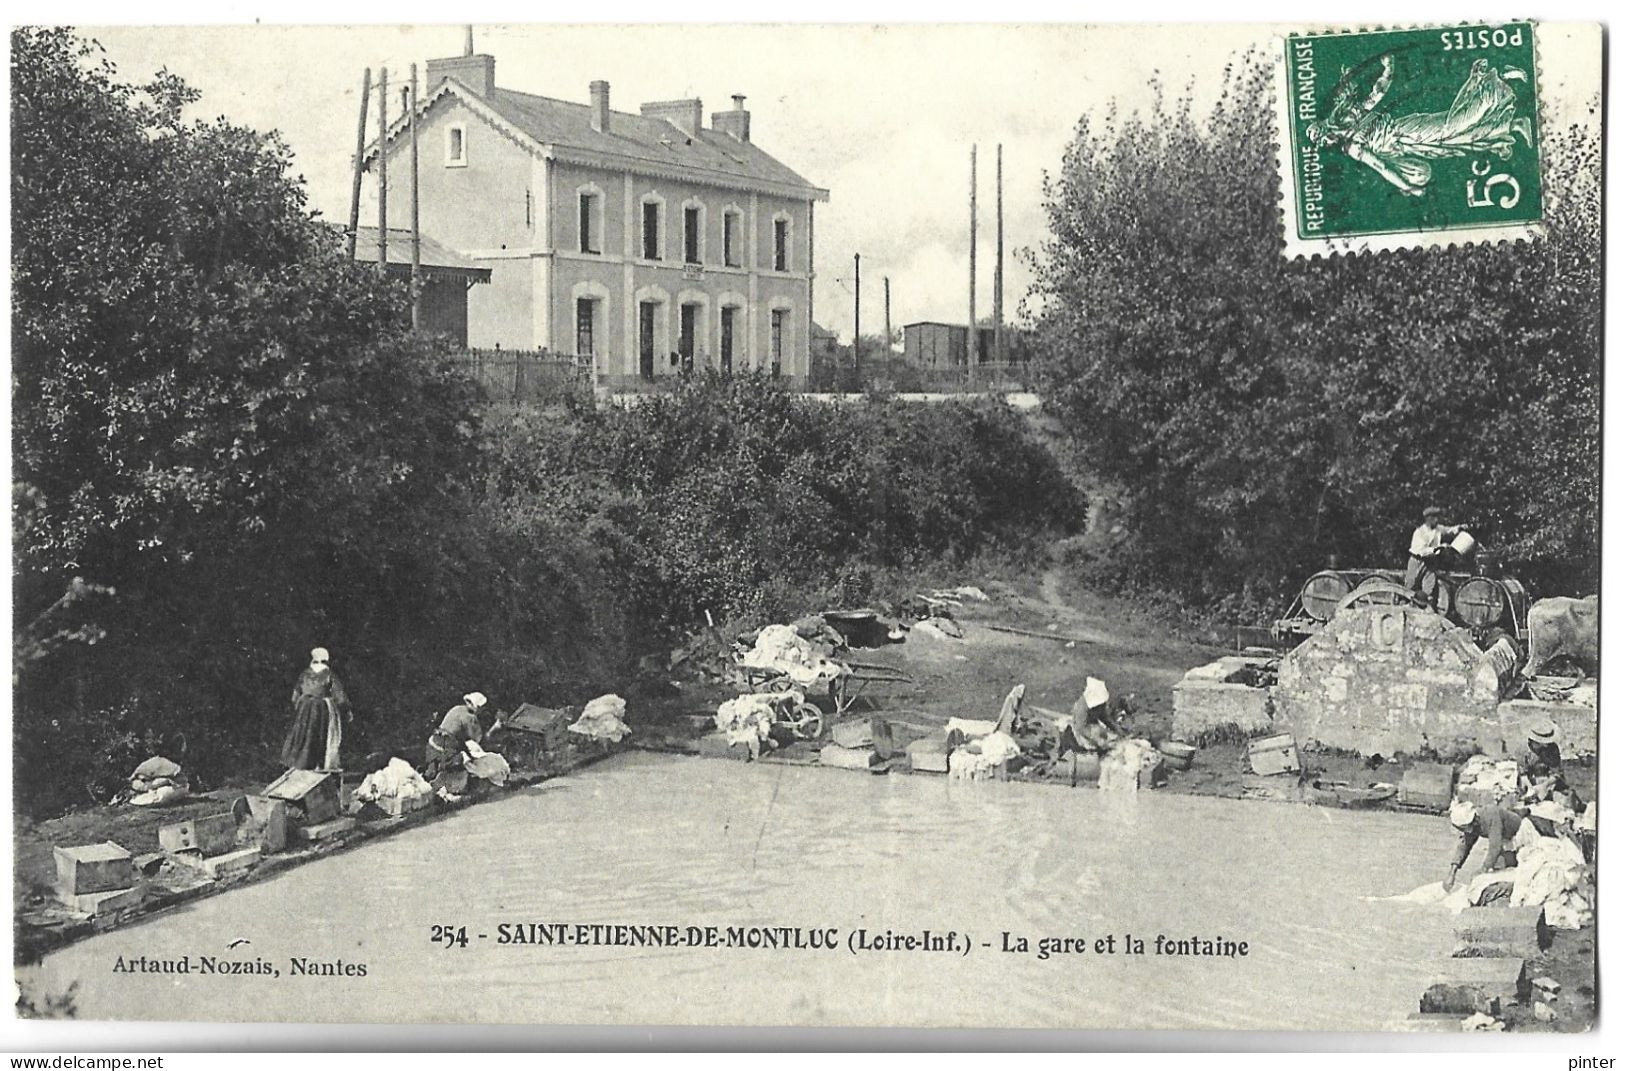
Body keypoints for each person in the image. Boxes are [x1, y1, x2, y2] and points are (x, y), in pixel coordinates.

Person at [281, 647, 351, 771]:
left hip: (305, 708)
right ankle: (318, 764)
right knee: (320, 735)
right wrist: (346, 710)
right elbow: (339, 695)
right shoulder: (329, 674)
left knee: (303, 735)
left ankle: (301, 764)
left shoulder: (305, 674)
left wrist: (301, 705)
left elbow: (294, 696)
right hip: (321, 709)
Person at [1444, 798, 1527, 891]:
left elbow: (1495, 847)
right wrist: (1452, 873)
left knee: (1503, 871)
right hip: (1505, 838)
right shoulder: (1473, 824)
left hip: (1521, 835)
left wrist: (1484, 868)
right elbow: (1464, 846)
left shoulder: (1491, 814)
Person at [424, 692, 490, 787]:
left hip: (433, 743)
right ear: (477, 707)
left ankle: (431, 778)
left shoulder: (457, 708)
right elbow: (476, 739)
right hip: (447, 748)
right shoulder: (470, 717)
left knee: (432, 771)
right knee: (467, 760)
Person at [1404, 506, 1462, 609]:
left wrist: (1459, 527)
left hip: (1430, 562)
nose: (1437, 520)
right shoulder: (1420, 532)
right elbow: (1421, 551)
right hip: (1417, 561)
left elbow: (1449, 530)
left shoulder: (1437, 529)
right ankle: (1406, 605)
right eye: (1435, 518)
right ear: (1428, 519)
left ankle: (1424, 607)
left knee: (1429, 585)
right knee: (1411, 585)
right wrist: (1439, 547)